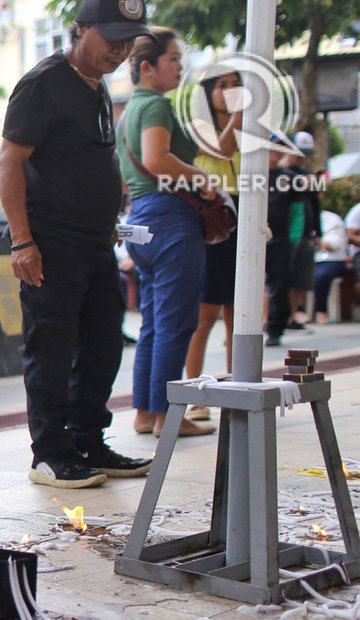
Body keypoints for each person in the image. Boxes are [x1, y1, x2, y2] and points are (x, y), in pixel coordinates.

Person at [0, 0, 155, 490]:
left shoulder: (99, 86)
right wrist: (22, 241)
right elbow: (9, 164)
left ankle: (88, 441)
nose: (119, 50)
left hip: (95, 245)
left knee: (104, 346)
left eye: (127, 41)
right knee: (51, 350)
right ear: (80, 29)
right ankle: (49, 453)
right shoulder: (44, 83)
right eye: (110, 39)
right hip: (50, 245)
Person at [117, 27, 215, 439]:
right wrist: (200, 176)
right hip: (170, 216)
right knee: (175, 322)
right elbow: (158, 160)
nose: (180, 66)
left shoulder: (127, 112)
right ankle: (167, 419)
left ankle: (146, 412)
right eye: (173, 59)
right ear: (147, 66)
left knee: (155, 322)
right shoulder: (155, 105)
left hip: (140, 216)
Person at [185, 69, 242, 421]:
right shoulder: (197, 124)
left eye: (237, 85)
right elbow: (223, 148)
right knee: (205, 314)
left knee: (240, 312)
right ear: (208, 92)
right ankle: (196, 393)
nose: (232, 91)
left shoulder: (249, 125)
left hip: (242, 217)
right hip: (211, 217)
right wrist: (240, 110)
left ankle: (239, 386)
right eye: (223, 85)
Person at [281, 131, 323, 328]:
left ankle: (291, 316)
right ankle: (272, 318)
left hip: (305, 234)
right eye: (297, 152)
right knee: (278, 278)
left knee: (301, 279)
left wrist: (318, 233)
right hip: (282, 235)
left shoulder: (308, 176)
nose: (301, 157)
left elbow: (315, 205)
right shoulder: (276, 174)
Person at [264, 143, 299, 347]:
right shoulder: (248, 176)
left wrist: (292, 238)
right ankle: (238, 328)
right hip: (251, 242)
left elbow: (298, 210)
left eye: (277, 150)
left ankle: (275, 329)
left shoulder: (290, 178)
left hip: (280, 241)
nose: (273, 155)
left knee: (280, 285)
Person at [312, 208, 349, 324]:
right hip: (307, 259)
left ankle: (321, 311)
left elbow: (332, 245)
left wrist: (312, 239)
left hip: (332, 260)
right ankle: (297, 312)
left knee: (321, 275)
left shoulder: (332, 219)